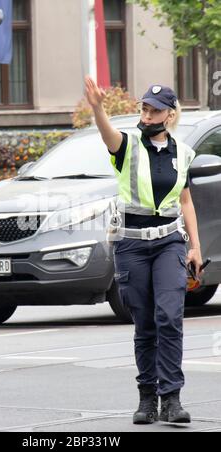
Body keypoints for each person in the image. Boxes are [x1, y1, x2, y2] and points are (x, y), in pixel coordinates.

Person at [85, 76, 204, 425]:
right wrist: (97, 109)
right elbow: (108, 135)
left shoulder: (182, 153)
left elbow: (185, 199)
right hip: (132, 244)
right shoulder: (128, 146)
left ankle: (172, 399)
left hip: (169, 242)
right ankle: (147, 398)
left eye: (154, 111)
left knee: (170, 317)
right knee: (145, 323)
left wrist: (195, 247)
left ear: (169, 115)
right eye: (144, 109)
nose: (147, 115)